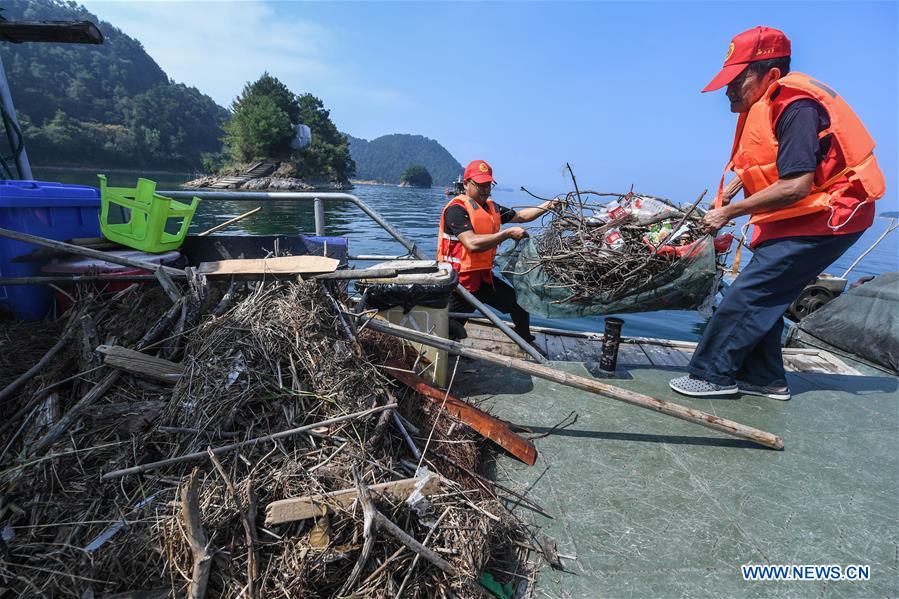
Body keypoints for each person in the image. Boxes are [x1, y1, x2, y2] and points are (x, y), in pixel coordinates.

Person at [669, 26, 885, 401]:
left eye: (736, 80)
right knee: (765, 293)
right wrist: (726, 197)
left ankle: (712, 375)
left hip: (831, 215)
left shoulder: (796, 108)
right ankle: (765, 378)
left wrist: (730, 213)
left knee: (750, 293)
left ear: (770, 74)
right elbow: (768, 165)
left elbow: (796, 185)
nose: (727, 90)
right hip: (798, 214)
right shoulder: (769, 104)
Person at [438, 159, 559, 344]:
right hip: (460, 283)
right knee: (448, 329)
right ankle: (445, 349)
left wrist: (549, 205)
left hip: (484, 278)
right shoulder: (456, 210)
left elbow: (521, 216)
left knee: (519, 304)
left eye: (488, 184)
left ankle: (525, 341)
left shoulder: (491, 208)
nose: (485, 189)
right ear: (466, 183)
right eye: (480, 184)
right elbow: (471, 243)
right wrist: (507, 234)